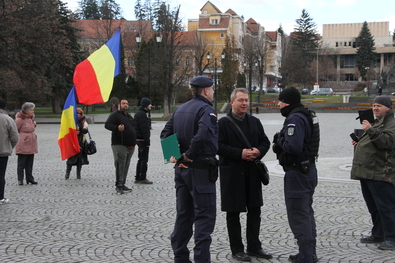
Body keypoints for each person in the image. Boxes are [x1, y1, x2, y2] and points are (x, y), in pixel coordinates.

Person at [160, 76, 218, 263]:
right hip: (199, 170)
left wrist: (176, 156)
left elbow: (165, 134)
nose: (213, 92)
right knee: (204, 217)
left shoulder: (180, 109)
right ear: (206, 91)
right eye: (212, 89)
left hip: (182, 171)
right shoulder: (206, 110)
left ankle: (180, 257)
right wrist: (189, 154)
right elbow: (202, 136)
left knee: (184, 215)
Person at [217, 88, 272, 262]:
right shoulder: (222, 124)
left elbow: (265, 141)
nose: (245, 103)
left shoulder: (254, 122)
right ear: (232, 102)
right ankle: (237, 249)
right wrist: (239, 153)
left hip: (252, 173)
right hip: (232, 175)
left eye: (246, 100)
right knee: (233, 213)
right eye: (241, 100)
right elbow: (218, 146)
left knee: (255, 211)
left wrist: (258, 151)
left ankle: (254, 246)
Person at [272, 87, 319, 263]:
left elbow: (293, 146)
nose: (278, 104)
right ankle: (309, 252)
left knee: (299, 214)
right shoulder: (305, 114)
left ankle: (306, 255)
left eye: (280, 101)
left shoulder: (295, 119)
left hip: (297, 172)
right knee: (306, 212)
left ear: (287, 102)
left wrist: (279, 141)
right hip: (307, 170)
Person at [351, 96, 395, 250]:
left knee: (386, 207)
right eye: (374, 105)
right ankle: (378, 233)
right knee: (374, 206)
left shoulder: (391, 123)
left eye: (379, 106)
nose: (375, 108)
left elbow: (387, 142)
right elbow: (375, 141)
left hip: (381, 173)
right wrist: (360, 141)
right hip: (369, 172)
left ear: (388, 108)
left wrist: (370, 130)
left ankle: (391, 238)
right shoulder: (379, 122)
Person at [105, 99, 136, 195]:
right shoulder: (115, 115)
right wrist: (117, 128)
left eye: (127, 103)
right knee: (120, 165)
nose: (126, 105)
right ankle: (118, 185)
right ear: (119, 105)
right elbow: (107, 125)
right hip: (119, 144)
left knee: (126, 165)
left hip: (130, 145)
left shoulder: (128, 116)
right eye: (123, 103)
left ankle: (123, 184)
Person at [0, 98, 19, 204]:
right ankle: (0, 197)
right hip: (2, 151)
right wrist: (9, 146)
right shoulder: (7, 119)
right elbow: (14, 136)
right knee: (1, 174)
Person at [15, 102, 38, 185]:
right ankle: (20, 179)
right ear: (26, 110)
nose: (32, 111)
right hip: (23, 142)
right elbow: (15, 130)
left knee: (30, 162)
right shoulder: (19, 119)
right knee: (22, 162)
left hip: (31, 142)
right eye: (31, 110)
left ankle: (29, 178)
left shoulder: (30, 118)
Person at [134, 97, 153, 184]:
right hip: (142, 140)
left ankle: (138, 176)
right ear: (145, 105)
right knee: (144, 159)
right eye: (149, 104)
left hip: (138, 139)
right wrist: (147, 141)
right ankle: (142, 177)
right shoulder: (142, 115)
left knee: (140, 158)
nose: (151, 106)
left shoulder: (138, 113)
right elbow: (144, 129)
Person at [65, 108, 89, 179]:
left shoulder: (83, 122)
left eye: (79, 113)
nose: (78, 115)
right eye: (77, 113)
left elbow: (86, 130)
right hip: (72, 143)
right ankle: (67, 173)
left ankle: (78, 174)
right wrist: (74, 132)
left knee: (80, 159)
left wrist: (80, 130)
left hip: (81, 142)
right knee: (70, 159)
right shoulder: (71, 121)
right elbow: (66, 131)